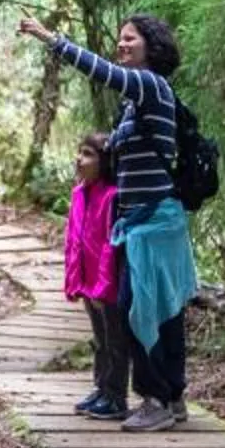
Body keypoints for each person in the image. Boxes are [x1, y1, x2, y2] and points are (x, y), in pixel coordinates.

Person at [18, 12, 194, 430]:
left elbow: (102, 71)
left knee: (140, 311)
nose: (122, 44)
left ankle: (157, 399)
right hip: (145, 222)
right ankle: (173, 397)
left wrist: (50, 38)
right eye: (120, 39)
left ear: (151, 46)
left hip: (154, 222)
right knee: (161, 311)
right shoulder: (136, 102)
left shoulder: (149, 84)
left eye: (130, 39)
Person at [61, 130, 132, 418]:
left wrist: (103, 287)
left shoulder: (112, 196)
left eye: (88, 154)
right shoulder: (79, 193)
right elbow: (73, 238)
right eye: (79, 152)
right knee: (100, 339)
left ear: (104, 161)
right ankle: (102, 388)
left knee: (115, 339)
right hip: (88, 280)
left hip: (108, 283)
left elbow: (110, 245)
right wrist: (74, 280)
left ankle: (116, 397)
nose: (80, 160)